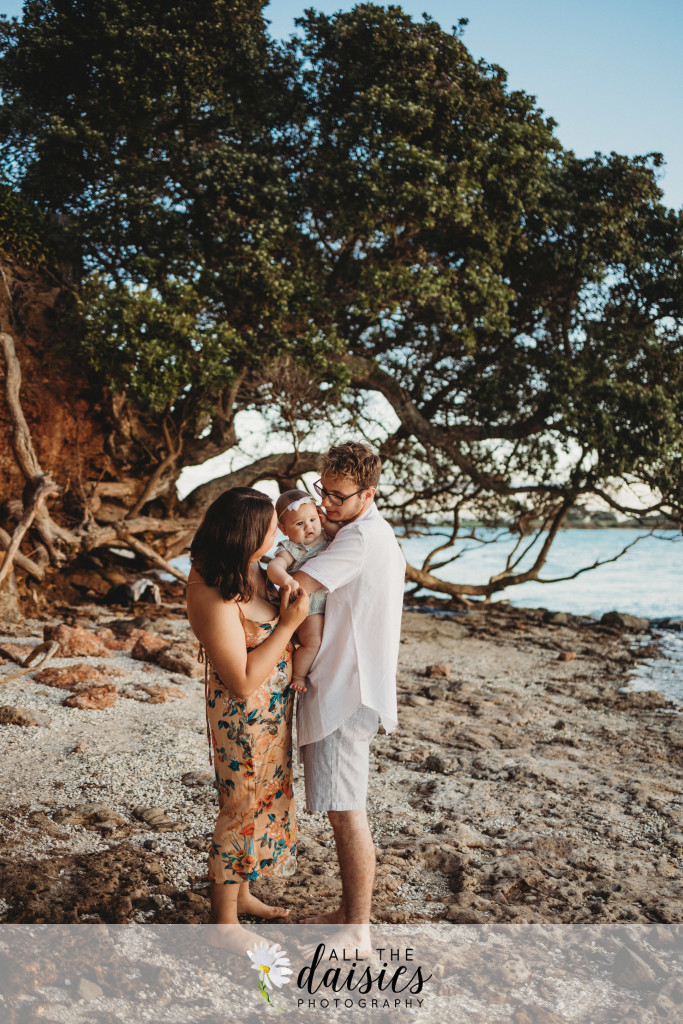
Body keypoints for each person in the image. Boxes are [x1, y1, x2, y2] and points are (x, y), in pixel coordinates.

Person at [292, 441, 406, 953]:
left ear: (369, 494)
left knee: (347, 812)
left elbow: (297, 588)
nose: (326, 503)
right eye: (323, 490)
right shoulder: (368, 533)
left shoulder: (359, 539)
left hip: (346, 690)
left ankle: (357, 929)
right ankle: (347, 913)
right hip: (353, 683)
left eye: (338, 496)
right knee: (344, 808)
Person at [185, 487, 309, 953]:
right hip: (242, 718)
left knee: (263, 801)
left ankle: (242, 894)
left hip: (272, 713)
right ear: (244, 536)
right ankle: (223, 923)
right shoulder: (210, 591)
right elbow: (239, 680)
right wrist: (288, 625)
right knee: (240, 807)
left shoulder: (254, 567)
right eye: (271, 530)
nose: (279, 535)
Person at [266, 488, 340, 693]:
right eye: (299, 523)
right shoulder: (292, 548)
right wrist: (287, 580)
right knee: (313, 642)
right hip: (308, 607)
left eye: (313, 520)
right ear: (283, 528)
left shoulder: (325, 535)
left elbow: (343, 534)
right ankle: (299, 675)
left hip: (325, 605)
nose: (309, 526)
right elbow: (274, 567)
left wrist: (326, 523)